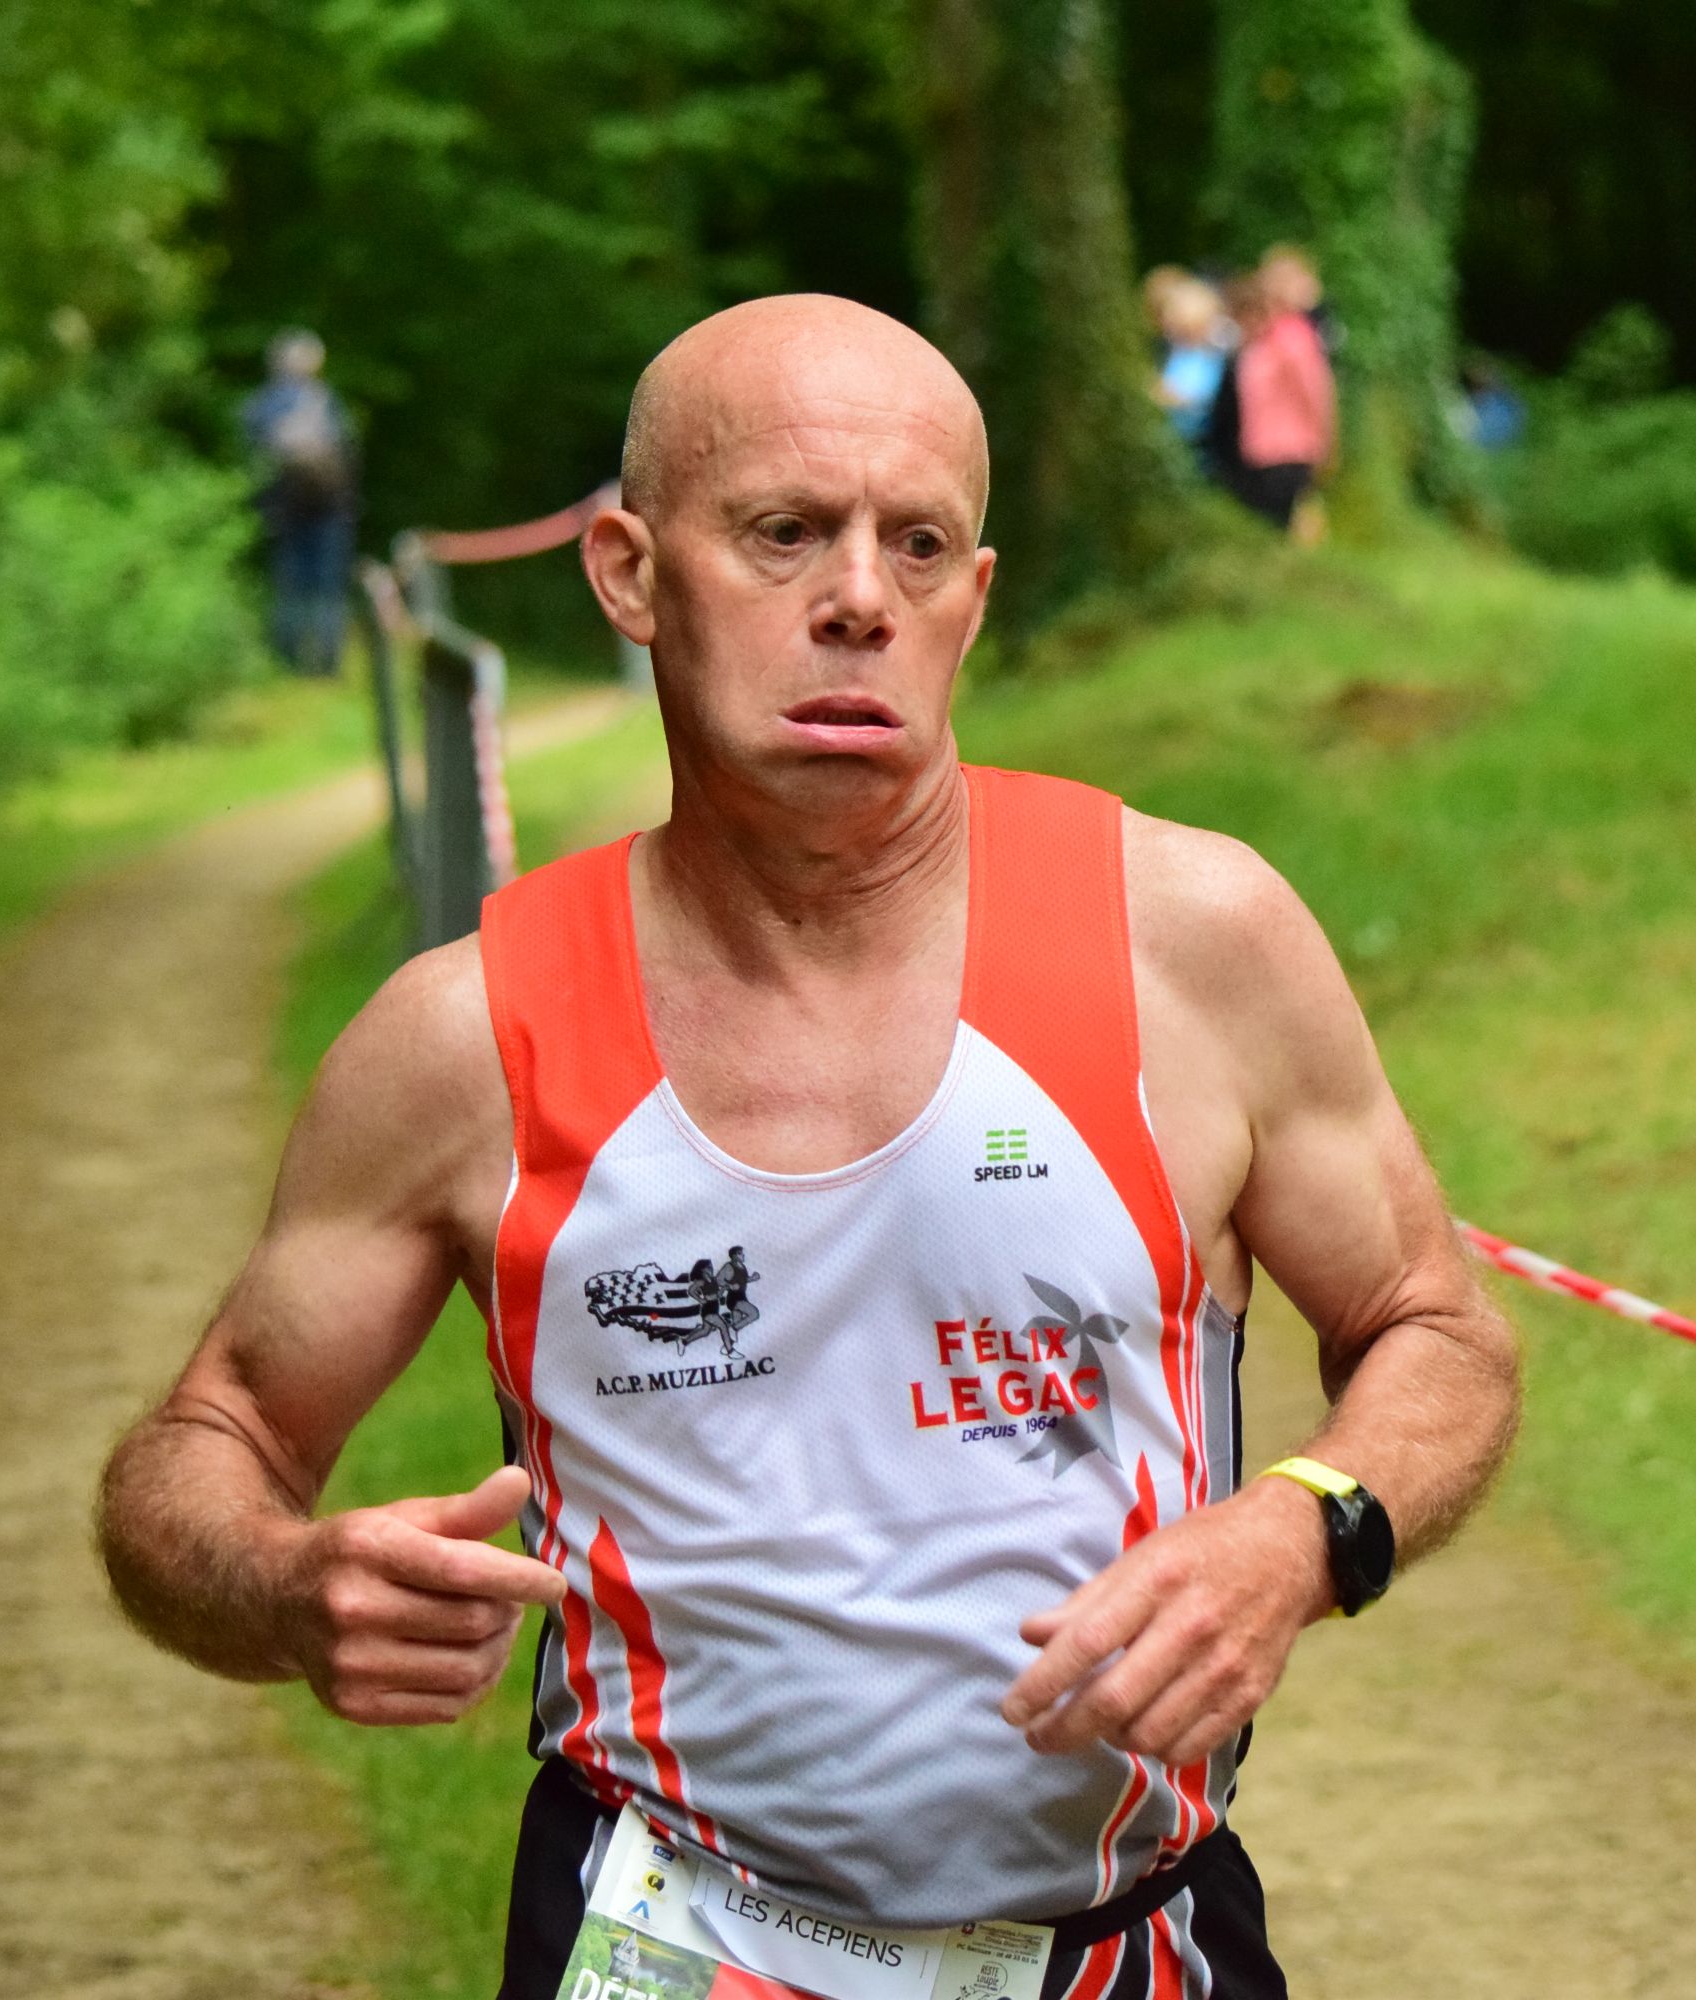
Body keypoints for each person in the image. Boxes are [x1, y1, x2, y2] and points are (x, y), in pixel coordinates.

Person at [99, 294, 1522, 2000]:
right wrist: (281, 1585)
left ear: (971, 599)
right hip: (663, 1938)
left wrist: (1302, 1532)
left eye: (916, 546)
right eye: (784, 533)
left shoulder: (1191, 942)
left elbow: (1435, 1331)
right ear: (629, 573)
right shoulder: (469, 1037)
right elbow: (211, 1443)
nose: (859, 599)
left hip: (1130, 1950)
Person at [240, 327, 359, 677]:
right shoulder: (323, 400)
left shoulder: (261, 404)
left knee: (290, 583)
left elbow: (252, 456)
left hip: (283, 507)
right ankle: (327, 663)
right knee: (327, 585)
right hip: (329, 507)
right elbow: (346, 450)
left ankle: (288, 663)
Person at [1223, 249, 1338, 537]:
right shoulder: (1270, 335)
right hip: (1265, 451)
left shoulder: (1290, 336)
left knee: (1277, 530)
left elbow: (1315, 393)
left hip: (1287, 451)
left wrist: (1326, 439)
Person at [1150, 273, 1232, 462]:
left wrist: (1169, 396)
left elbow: (1209, 400)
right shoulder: (1176, 353)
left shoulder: (1213, 354)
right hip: (1174, 440)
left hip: (1203, 445)